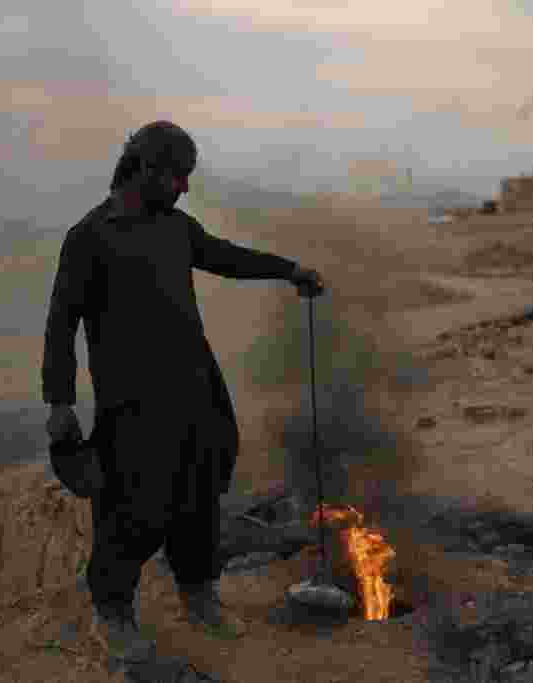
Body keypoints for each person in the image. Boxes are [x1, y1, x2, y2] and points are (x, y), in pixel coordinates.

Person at [41, 121, 325, 669]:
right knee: (133, 509)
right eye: (178, 177)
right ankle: (115, 613)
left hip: (196, 389)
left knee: (198, 499)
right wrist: (58, 403)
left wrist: (289, 270)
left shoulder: (175, 227)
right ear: (145, 169)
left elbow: (227, 257)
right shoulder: (90, 236)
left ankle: (199, 596)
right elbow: (60, 324)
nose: (184, 188)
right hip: (132, 402)